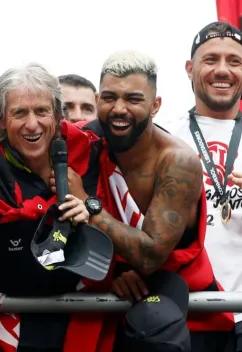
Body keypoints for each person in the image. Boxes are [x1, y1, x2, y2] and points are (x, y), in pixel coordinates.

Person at [0, 63, 119, 351]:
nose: (32, 124)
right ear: (1, 120)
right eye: (19, 113)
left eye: (41, 111)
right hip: (3, 319)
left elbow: (121, 215)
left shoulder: (86, 149)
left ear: (56, 114)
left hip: (82, 316)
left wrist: (89, 210)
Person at [75, 50, 234, 351]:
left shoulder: (178, 161)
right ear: (97, 100)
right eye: (109, 97)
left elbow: (149, 255)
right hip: (115, 307)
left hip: (188, 314)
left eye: (133, 99)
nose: (119, 108)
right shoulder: (83, 143)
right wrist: (112, 275)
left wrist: (88, 206)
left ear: (155, 105)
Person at [159, 21, 242, 351]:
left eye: (234, 61)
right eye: (211, 60)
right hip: (187, 311)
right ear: (190, 68)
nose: (222, 70)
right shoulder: (163, 136)